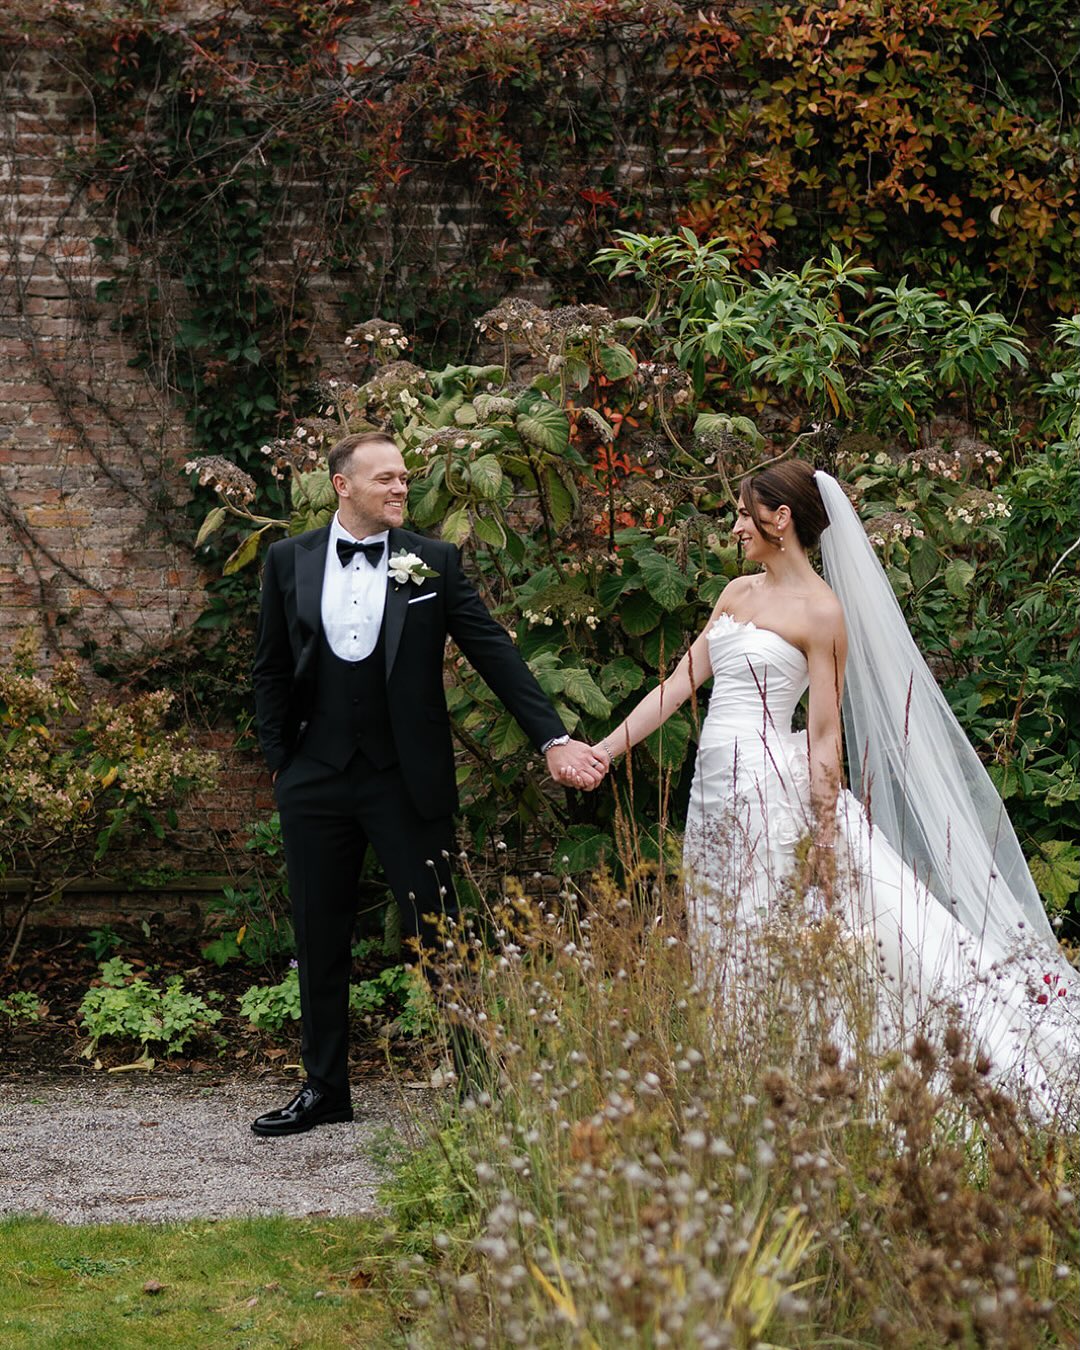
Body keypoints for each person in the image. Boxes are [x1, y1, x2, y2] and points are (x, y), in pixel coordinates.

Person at [590, 460, 1076, 1110]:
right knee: (723, 926)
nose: (735, 527)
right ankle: (748, 1084)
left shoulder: (822, 614)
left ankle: (809, 1085)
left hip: (771, 792)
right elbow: (676, 688)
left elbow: (824, 736)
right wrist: (601, 751)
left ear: (780, 519)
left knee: (774, 930)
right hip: (712, 794)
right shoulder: (735, 593)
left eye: (743, 514)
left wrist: (823, 835)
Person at [251, 431, 607, 1136]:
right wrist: (279, 763)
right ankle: (325, 1089)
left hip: (403, 779)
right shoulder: (287, 560)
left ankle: (476, 1085)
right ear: (341, 485)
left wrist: (553, 737)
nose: (399, 489)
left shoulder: (432, 562)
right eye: (384, 479)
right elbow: (268, 666)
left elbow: (493, 651)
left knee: (441, 933)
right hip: (315, 779)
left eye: (405, 479)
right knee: (319, 937)